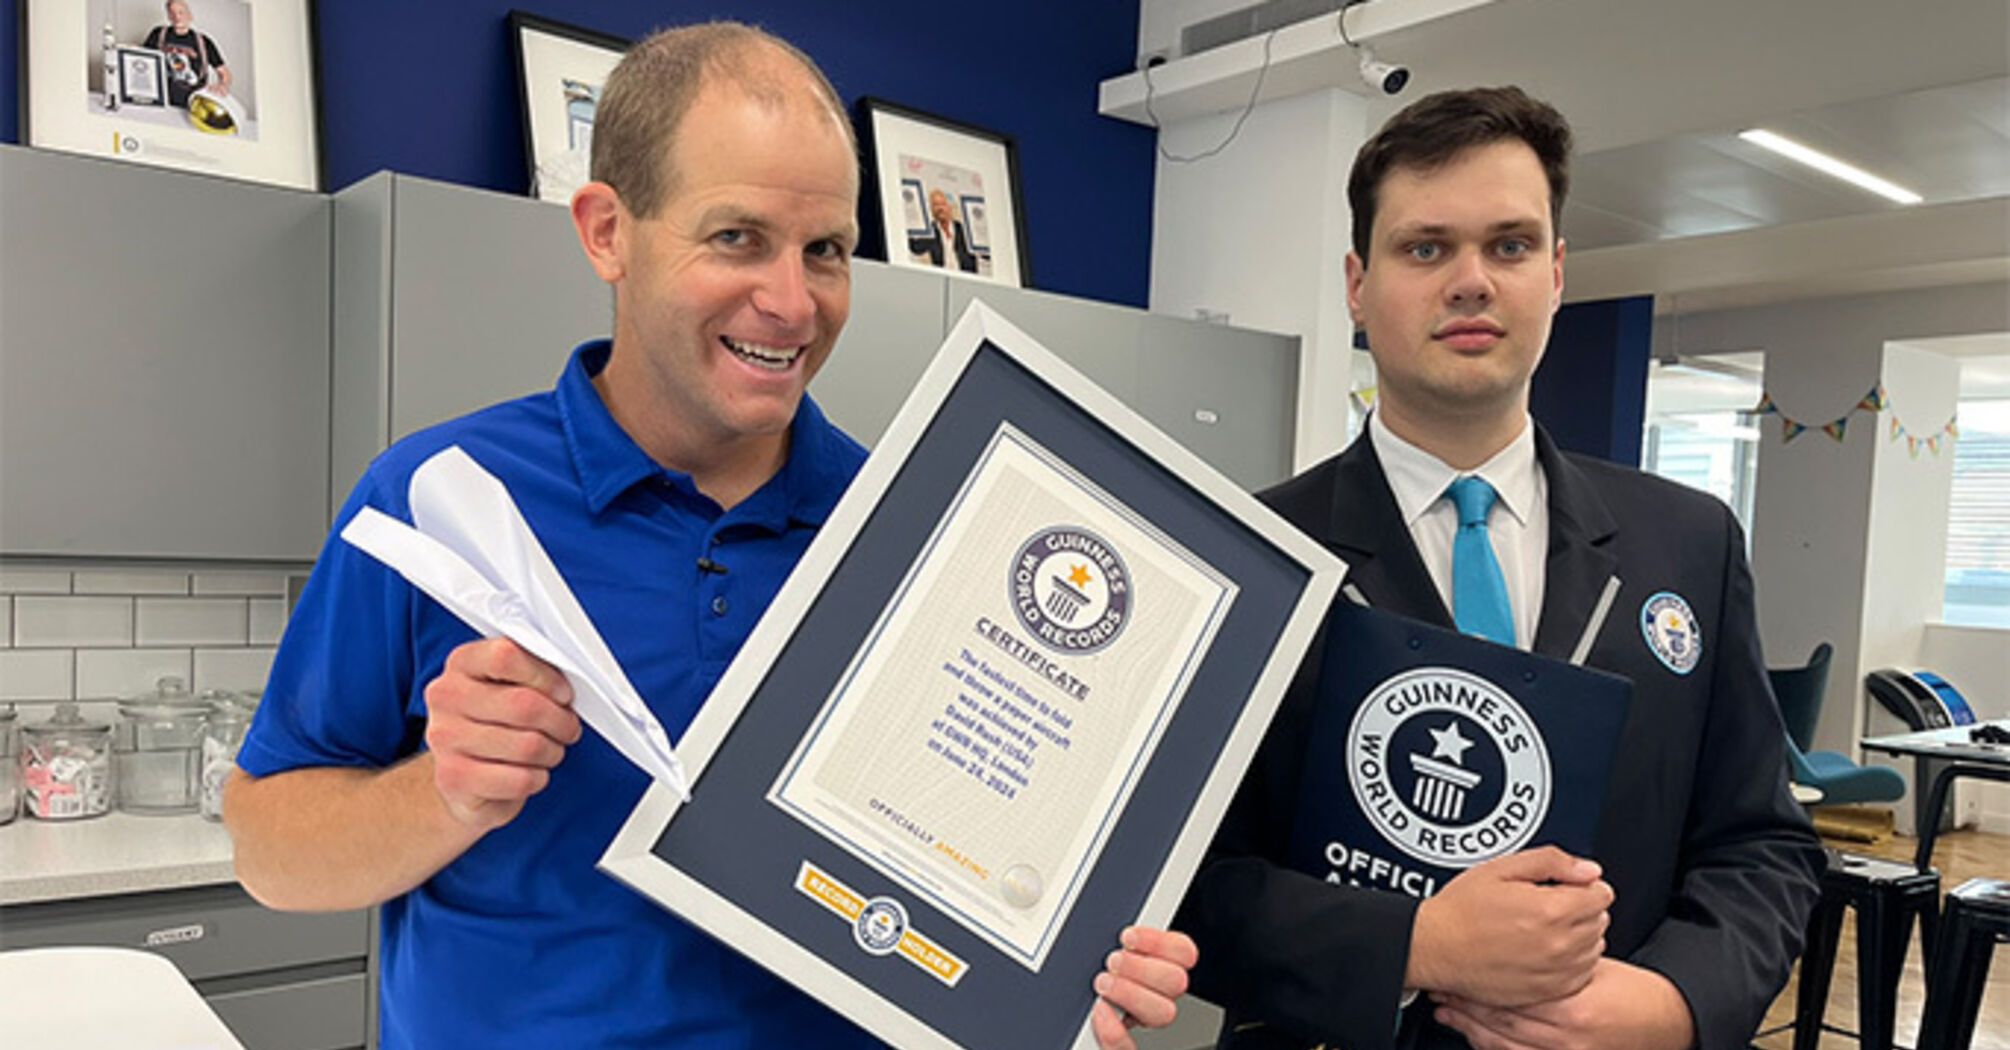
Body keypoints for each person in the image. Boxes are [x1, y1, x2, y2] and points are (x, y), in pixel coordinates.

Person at [223, 22, 1194, 1050]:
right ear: (606, 232)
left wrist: (1079, 971)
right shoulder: (434, 500)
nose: (790, 302)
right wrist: (445, 794)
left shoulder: (915, 532)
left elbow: (975, 880)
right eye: (736, 238)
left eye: (825, 251)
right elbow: (268, 850)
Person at [1174, 86, 1824, 1050]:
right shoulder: (1245, 552)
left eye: (1510, 246)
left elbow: (1761, 843)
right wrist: (1414, 944)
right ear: (1358, 283)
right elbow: (1185, 874)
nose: (1471, 281)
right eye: (1425, 248)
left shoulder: (1688, 543)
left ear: (1557, 274)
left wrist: (1670, 1007)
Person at [144, 0, 230, 110]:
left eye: (181, 12)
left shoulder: (204, 42)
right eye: (172, 13)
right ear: (168, 16)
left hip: (193, 104)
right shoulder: (157, 34)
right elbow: (143, 60)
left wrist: (222, 85)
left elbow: (224, 73)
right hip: (161, 101)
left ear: (190, 15)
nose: (177, 17)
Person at [908, 187, 980, 273]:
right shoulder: (931, 231)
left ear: (949, 207)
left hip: (965, 277)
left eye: (942, 204)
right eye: (935, 205)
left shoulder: (963, 229)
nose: (940, 208)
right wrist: (910, 224)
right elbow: (916, 248)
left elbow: (982, 250)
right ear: (931, 209)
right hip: (941, 277)